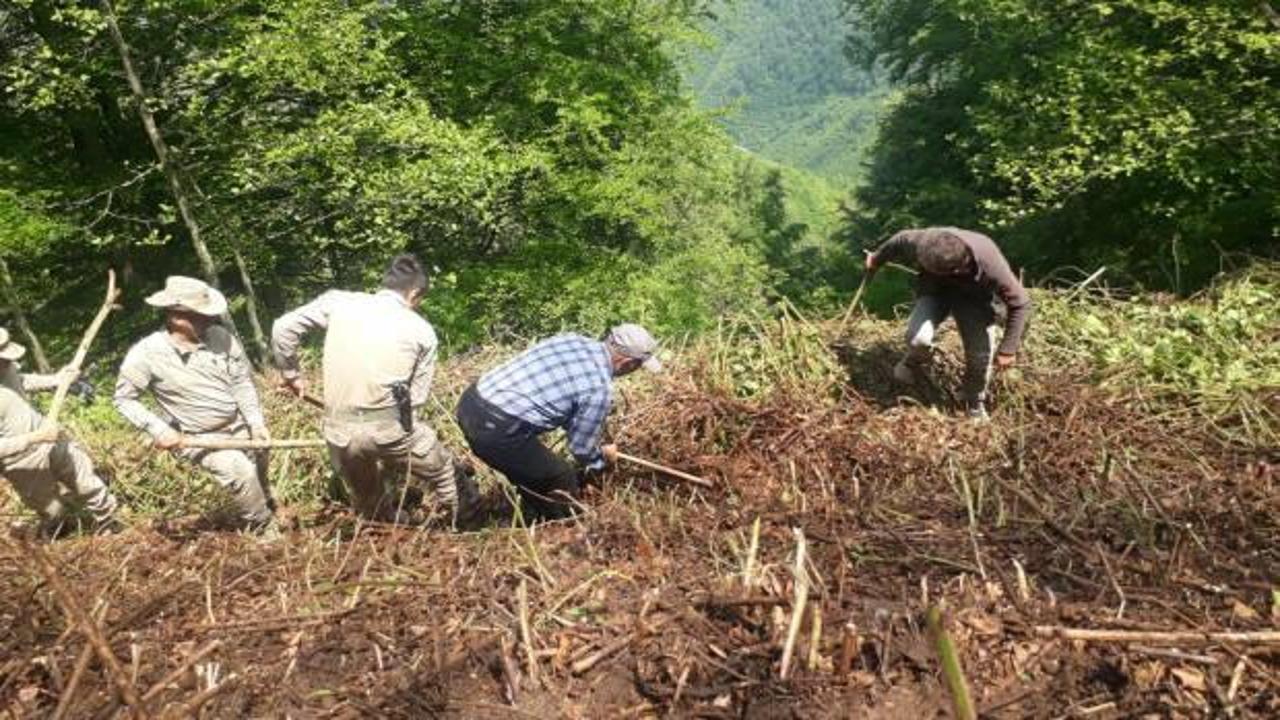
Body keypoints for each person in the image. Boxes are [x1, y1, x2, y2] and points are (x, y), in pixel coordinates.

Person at [272, 254, 477, 526]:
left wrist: (291, 374)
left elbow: (282, 327)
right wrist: (399, 445)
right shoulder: (421, 330)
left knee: (369, 498)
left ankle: (381, 525)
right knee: (444, 470)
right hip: (387, 430)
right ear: (414, 293)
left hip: (338, 431)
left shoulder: (338, 302)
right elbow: (416, 400)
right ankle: (460, 521)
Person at [114, 276, 276, 532]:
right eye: (201, 316)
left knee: (259, 461)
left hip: (239, 426)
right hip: (199, 437)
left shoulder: (222, 337)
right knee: (239, 471)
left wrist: (255, 422)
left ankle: (265, 502)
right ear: (177, 317)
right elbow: (124, 400)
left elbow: (241, 383)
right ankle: (263, 527)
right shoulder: (146, 354)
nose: (210, 319)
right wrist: (160, 430)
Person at [455, 324, 661, 522]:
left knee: (530, 468)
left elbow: (559, 393)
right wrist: (602, 462)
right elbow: (581, 448)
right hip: (493, 429)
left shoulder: (572, 339)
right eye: (638, 366)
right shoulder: (598, 388)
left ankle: (535, 510)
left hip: (471, 400)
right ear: (627, 364)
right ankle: (563, 528)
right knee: (561, 477)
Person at [865, 227, 1032, 419]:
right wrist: (876, 259)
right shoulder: (925, 242)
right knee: (917, 338)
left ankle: (974, 402)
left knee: (980, 357)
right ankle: (915, 361)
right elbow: (900, 239)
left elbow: (1021, 303)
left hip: (973, 298)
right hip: (935, 292)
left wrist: (1008, 349)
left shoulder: (989, 260)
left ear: (960, 267)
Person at [0, 327, 121, 537]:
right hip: (21, 463)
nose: (9, 363)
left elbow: (22, 380)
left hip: (51, 439)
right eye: (3, 359)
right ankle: (60, 526)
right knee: (53, 511)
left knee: (85, 478)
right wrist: (33, 438)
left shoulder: (7, 367)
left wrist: (57, 379)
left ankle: (109, 520)